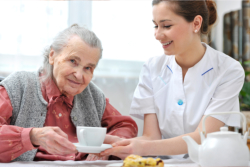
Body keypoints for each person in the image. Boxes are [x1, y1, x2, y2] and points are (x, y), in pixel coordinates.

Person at [100, 0, 245, 159]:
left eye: (167, 26)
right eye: (155, 26)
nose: (157, 35)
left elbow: (203, 137)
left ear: (196, 23)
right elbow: (151, 137)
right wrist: (118, 144)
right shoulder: (152, 68)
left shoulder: (228, 70)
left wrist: (144, 147)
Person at [0, 24, 138, 162]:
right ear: (52, 56)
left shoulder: (93, 95)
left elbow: (126, 126)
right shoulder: (18, 85)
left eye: (88, 68)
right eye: (73, 61)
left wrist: (108, 147)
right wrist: (33, 136)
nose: (79, 75)